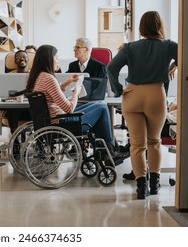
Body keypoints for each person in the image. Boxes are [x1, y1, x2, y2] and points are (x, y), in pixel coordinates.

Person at [107, 11, 178, 199]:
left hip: (133, 94)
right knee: (154, 142)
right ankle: (155, 185)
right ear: (160, 25)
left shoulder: (130, 47)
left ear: (141, 27)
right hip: (156, 94)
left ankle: (141, 187)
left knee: (137, 145)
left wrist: (118, 90)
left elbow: (111, 68)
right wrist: (174, 66)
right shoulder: (168, 45)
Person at [25, 44, 128, 161]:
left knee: (99, 105)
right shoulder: (49, 78)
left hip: (50, 120)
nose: (58, 60)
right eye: (56, 57)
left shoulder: (36, 77)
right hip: (61, 123)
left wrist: (67, 82)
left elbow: (49, 93)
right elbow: (69, 108)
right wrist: (76, 93)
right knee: (102, 107)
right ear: (49, 59)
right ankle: (109, 150)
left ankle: (105, 150)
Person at [5, 50, 32, 133]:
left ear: (28, 59)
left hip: (30, 108)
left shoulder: (34, 75)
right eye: (18, 57)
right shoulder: (9, 76)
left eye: (24, 57)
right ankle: (15, 140)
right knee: (13, 107)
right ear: (14, 61)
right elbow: (4, 92)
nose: (21, 59)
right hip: (16, 108)